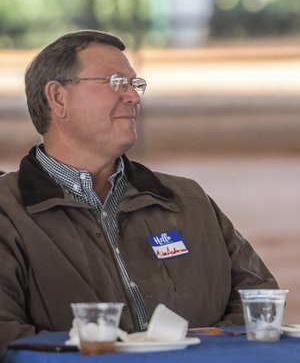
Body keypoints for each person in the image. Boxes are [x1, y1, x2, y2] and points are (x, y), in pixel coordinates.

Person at [0, 30, 279, 349]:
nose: (133, 96)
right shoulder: (7, 211)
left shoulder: (188, 200)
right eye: (116, 82)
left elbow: (260, 300)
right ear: (58, 98)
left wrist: (202, 351)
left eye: (135, 84)